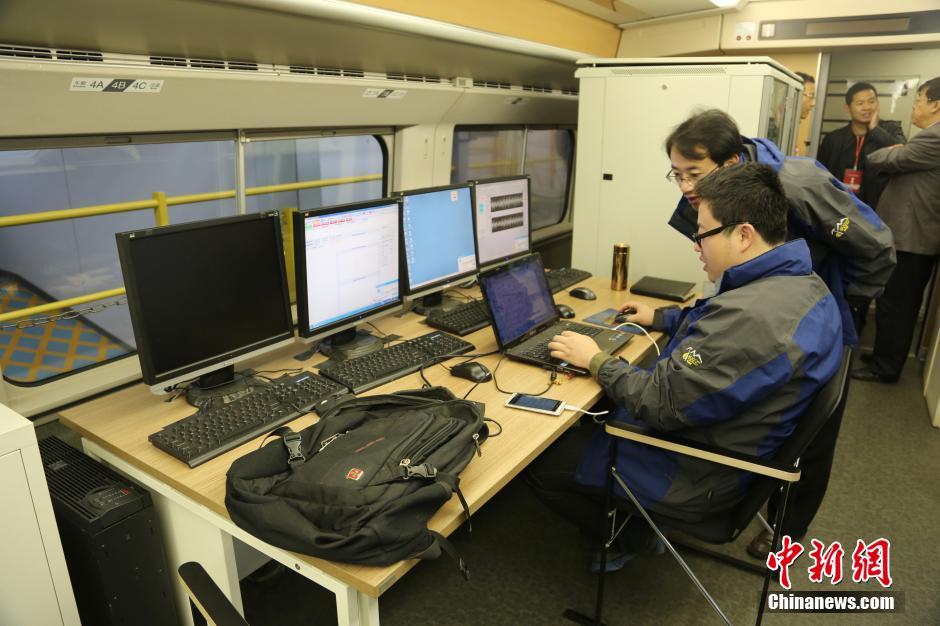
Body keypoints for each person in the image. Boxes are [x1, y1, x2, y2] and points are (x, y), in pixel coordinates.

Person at [527, 163, 843, 570]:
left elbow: (661, 404)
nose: (697, 246)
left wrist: (595, 359)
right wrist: (661, 319)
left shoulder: (754, 318)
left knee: (537, 458)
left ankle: (632, 535)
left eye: (703, 234)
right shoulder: (798, 284)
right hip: (723, 441)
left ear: (744, 235)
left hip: (693, 472)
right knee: (589, 411)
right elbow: (717, 327)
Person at [662, 109, 896, 559]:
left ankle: (786, 534)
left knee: (811, 437)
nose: (686, 186)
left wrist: (841, 301)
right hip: (767, 315)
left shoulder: (800, 185)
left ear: (730, 163)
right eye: (677, 174)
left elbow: (875, 247)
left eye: (695, 174)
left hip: (821, 315)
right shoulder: (713, 191)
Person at [852, 76, 940, 384]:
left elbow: (881, 159)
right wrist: (898, 149)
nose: (914, 107)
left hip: (912, 239)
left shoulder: (934, 137)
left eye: (918, 101)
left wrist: (895, 150)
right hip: (909, 236)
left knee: (897, 306)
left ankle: (885, 367)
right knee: (892, 302)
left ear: (935, 105)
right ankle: (883, 355)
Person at [815, 82, 907, 335]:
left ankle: (854, 329)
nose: (867, 107)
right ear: (848, 108)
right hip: (837, 219)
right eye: (860, 102)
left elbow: (901, 157)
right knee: (832, 273)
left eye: (871, 101)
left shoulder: (891, 132)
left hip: (873, 219)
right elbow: (819, 177)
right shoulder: (834, 139)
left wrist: (875, 129)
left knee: (862, 277)